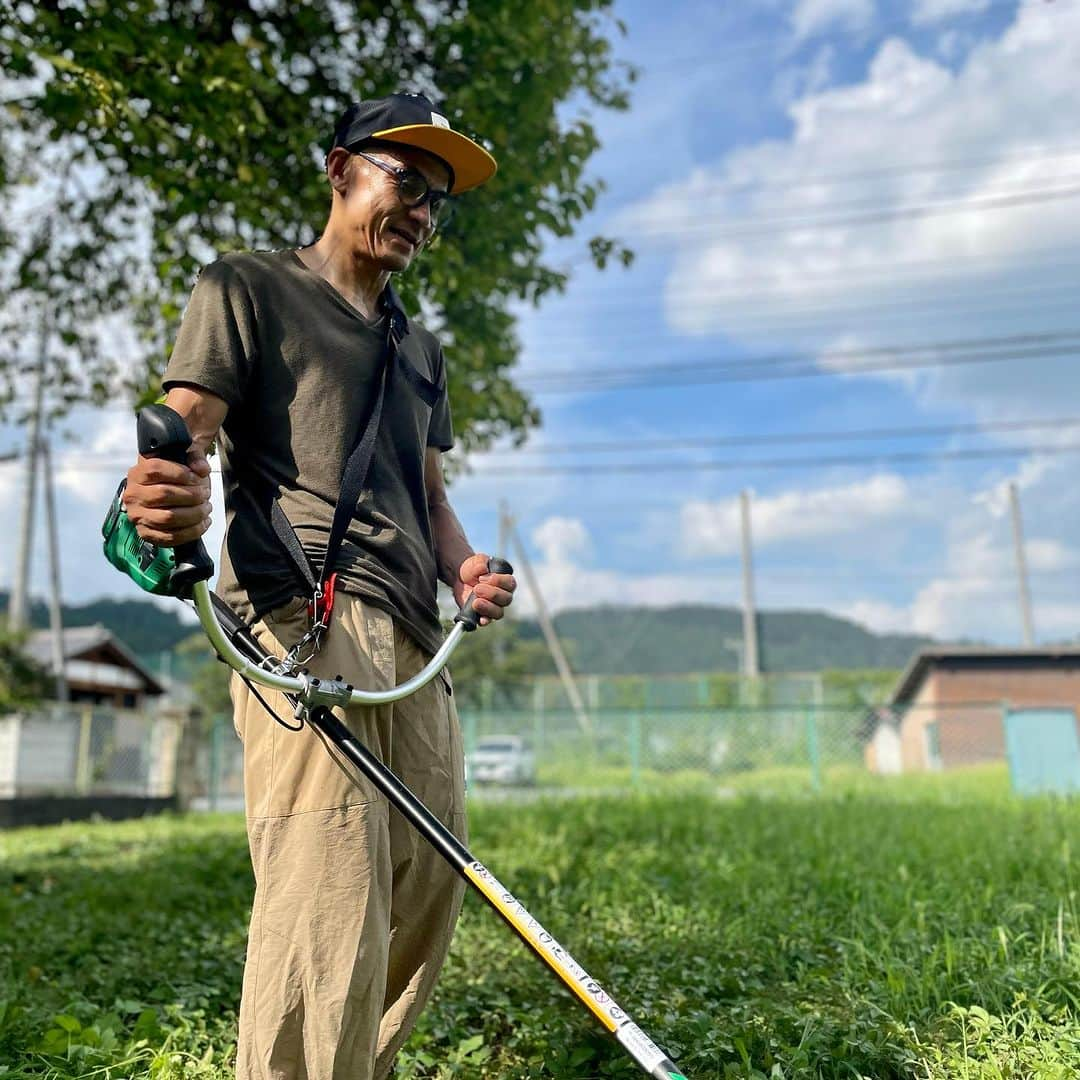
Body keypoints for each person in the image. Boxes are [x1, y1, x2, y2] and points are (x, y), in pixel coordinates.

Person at [122, 92, 516, 1080]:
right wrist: (159, 505)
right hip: (303, 623)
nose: (424, 211)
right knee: (326, 904)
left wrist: (464, 567)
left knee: (422, 894)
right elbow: (184, 435)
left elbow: (429, 498)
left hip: (419, 649)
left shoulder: (419, 350)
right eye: (407, 182)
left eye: (439, 201)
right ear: (339, 169)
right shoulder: (248, 289)